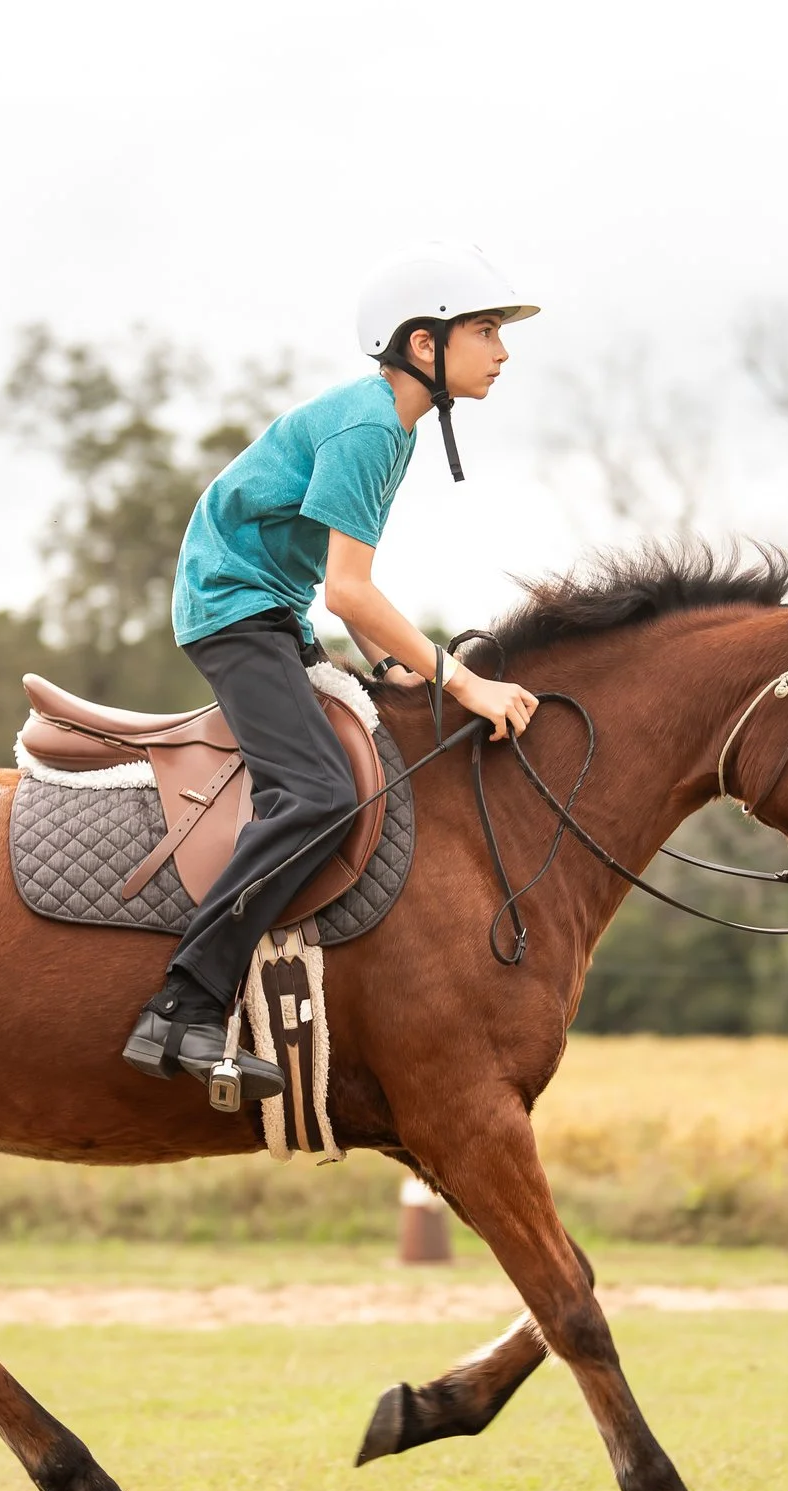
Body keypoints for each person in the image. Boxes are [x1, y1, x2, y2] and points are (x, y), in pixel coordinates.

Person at [122, 243, 543, 1093]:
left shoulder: (393, 431)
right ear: (425, 344)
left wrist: (399, 667)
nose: (504, 353)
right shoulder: (369, 427)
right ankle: (184, 1005)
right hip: (234, 610)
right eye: (488, 331)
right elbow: (352, 590)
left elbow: (345, 592)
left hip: (276, 610)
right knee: (316, 792)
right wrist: (461, 681)